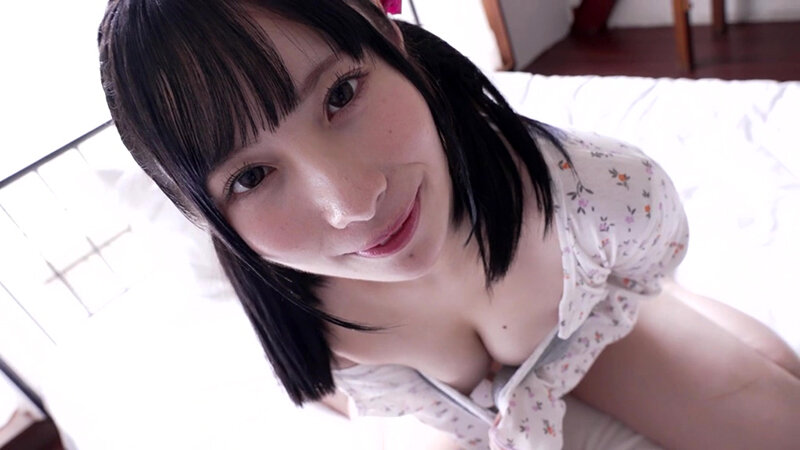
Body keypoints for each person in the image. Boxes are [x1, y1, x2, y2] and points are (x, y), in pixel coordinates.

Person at [97, 1, 800, 448]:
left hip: (586, 325)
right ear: (202, 217)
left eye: (342, 94)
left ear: (389, 38)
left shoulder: (597, 191)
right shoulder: (291, 305)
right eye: (251, 177)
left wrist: (640, 298)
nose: (353, 202)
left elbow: (653, 259)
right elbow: (333, 396)